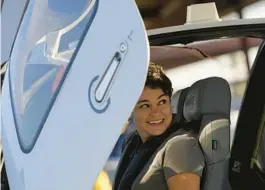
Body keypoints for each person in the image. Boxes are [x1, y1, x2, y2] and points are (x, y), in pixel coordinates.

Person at [113, 62, 205, 190]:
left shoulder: (180, 145)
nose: (156, 112)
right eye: (145, 105)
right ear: (130, 110)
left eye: (162, 101)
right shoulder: (133, 143)